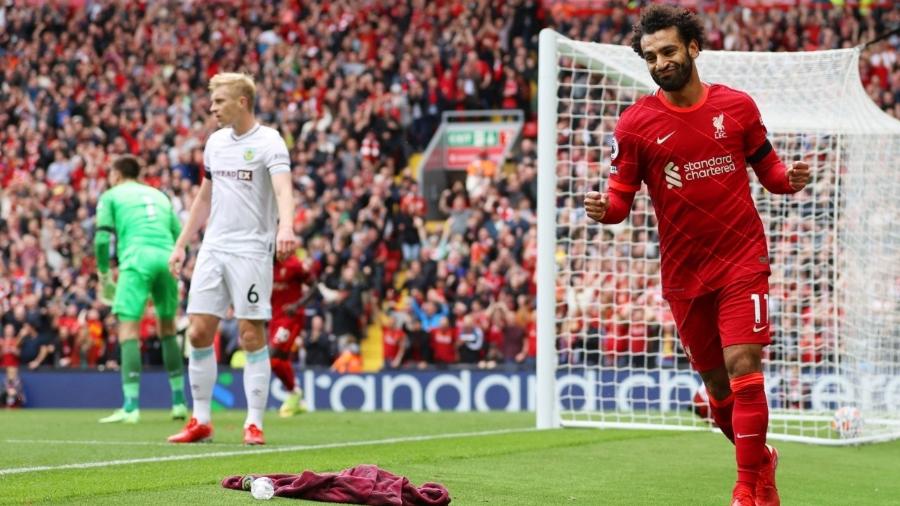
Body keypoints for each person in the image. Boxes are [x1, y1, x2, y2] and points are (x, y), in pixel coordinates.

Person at [584, 6, 811, 506]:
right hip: (685, 273)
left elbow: (769, 172)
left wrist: (788, 180)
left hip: (741, 258)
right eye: (651, 56)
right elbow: (621, 200)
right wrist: (605, 209)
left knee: (743, 364)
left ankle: (745, 488)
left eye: (668, 51)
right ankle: (763, 465)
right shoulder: (636, 125)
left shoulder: (737, 107)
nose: (660, 62)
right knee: (717, 388)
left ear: (692, 47)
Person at [167, 73, 297, 445]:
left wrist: (285, 227)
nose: (212, 108)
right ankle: (201, 420)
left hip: (252, 249)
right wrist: (181, 244)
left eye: (219, 101)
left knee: (250, 334)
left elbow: (283, 189)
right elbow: (204, 198)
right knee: (197, 332)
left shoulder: (270, 141)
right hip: (214, 247)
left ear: (242, 101)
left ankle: (254, 423)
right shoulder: (215, 143)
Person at [94, 155, 187, 424]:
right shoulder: (159, 196)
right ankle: (179, 402)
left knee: (129, 330)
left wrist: (103, 273)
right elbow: (180, 234)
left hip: (136, 259)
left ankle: (131, 407)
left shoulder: (112, 195)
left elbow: (102, 238)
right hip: (167, 256)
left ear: (116, 174)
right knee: (168, 329)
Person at [269, 254, 313, 417]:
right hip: (274, 318)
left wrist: (297, 305)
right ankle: (296, 397)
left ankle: (294, 392)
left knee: (272, 356)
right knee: (278, 360)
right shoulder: (264, 263)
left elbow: (315, 287)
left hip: (290, 318)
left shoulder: (294, 265)